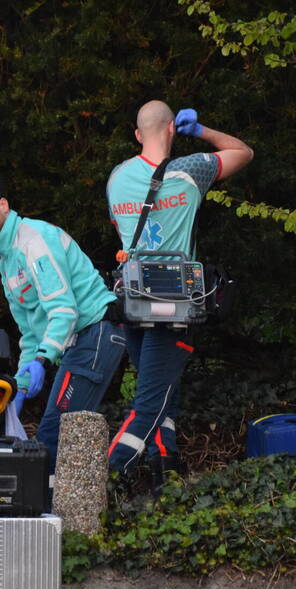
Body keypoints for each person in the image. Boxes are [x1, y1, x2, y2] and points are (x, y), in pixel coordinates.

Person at [105, 101, 253, 492]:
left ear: (138, 134)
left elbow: (118, 226)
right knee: (151, 403)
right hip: (175, 301)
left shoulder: (116, 178)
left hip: (133, 300)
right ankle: (98, 479)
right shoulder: (190, 171)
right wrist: (200, 130)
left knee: (161, 395)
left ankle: (163, 479)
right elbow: (243, 152)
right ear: (172, 128)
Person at [0, 176, 127, 480]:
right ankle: (54, 507)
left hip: (96, 331)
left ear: (3, 205)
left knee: (56, 429)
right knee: (57, 429)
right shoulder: (6, 260)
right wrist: (22, 381)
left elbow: (64, 310)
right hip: (81, 339)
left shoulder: (33, 241)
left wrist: (42, 360)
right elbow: (31, 333)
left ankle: (50, 509)